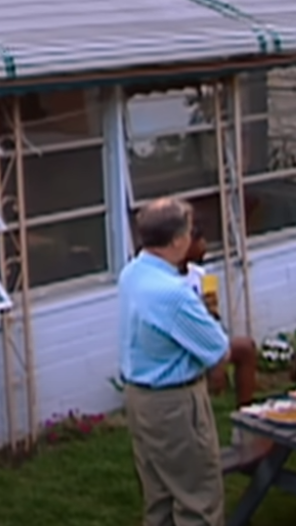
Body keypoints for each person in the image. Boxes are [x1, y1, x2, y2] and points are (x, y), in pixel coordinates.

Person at [118, 198, 229, 526]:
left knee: (160, 496)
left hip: (141, 399)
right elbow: (217, 348)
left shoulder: (132, 272)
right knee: (198, 499)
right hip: (175, 404)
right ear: (179, 240)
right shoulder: (172, 293)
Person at [179, 224, 258, 408]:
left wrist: (218, 348)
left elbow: (214, 314)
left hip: (205, 338)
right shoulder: (168, 280)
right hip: (184, 344)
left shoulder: (201, 275)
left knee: (246, 348)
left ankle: (246, 411)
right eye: (199, 240)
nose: (204, 245)